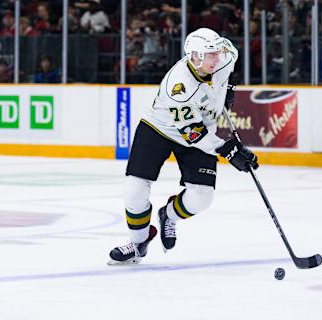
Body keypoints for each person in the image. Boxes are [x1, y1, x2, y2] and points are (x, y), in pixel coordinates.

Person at [108, 28, 259, 265]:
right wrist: (228, 150)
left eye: (217, 52)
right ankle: (138, 242)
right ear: (194, 56)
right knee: (134, 191)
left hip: (199, 128)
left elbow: (231, 53)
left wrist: (229, 87)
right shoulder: (178, 87)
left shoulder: (225, 57)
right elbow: (193, 133)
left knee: (202, 198)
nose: (216, 58)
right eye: (210, 54)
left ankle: (168, 216)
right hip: (160, 128)